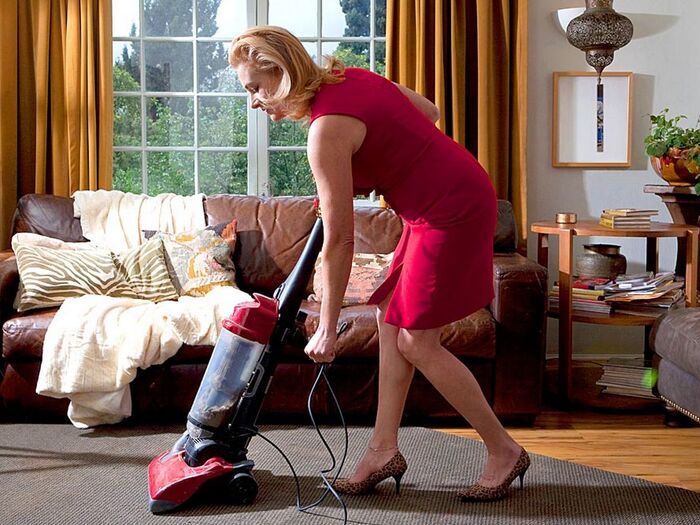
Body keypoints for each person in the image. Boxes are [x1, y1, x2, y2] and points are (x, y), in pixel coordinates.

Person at [229, 25, 529, 501]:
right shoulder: (350, 78)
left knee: (416, 340)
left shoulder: (326, 130)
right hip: (446, 195)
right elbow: (427, 113)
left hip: (451, 210)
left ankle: (503, 450)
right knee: (391, 317)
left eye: (255, 88)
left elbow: (342, 240)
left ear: (281, 73)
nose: (254, 101)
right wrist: (381, 163)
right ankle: (382, 449)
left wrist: (326, 329)